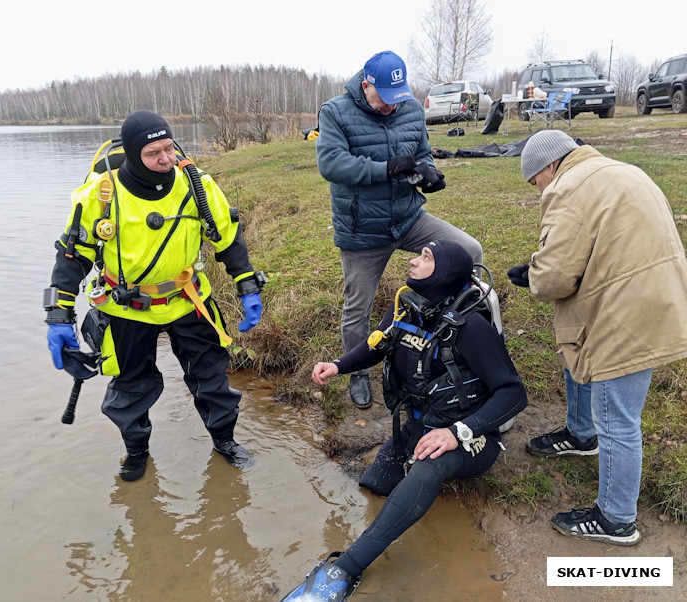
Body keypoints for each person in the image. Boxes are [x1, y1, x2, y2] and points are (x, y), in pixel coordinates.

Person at [281, 240, 527, 601]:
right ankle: (410, 495)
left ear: (445, 272)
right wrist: (337, 365)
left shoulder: (471, 327)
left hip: (472, 438)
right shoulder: (406, 309)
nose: (413, 262)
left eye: (425, 258)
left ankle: (343, 570)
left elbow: (513, 393)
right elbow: (375, 345)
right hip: (415, 429)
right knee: (374, 486)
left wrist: (458, 433)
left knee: (429, 466)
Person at [44, 110, 266, 480]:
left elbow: (228, 237)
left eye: (169, 148)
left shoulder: (196, 185)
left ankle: (225, 441)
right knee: (131, 386)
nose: (165, 159)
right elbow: (72, 257)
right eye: (153, 153)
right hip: (126, 308)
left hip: (188, 299)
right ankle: (136, 453)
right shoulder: (101, 195)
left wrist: (247, 286)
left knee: (212, 377)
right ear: (134, 154)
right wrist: (59, 316)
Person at [508, 129, 687, 545]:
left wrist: (534, 276)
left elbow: (554, 278)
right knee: (578, 354)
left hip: (625, 310)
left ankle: (616, 519)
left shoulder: (567, 188)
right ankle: (579, 433)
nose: (540, 191)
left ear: (550, 165)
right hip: (657, 294)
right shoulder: (622, 170)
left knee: (617, 417)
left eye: (536, 182)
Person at [316, 50, 483, 410]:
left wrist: (429, 174)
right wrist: (386, 168)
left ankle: (462, 336)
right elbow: (331, 164)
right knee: (357, 307)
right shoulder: (335, 112)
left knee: (470, 251)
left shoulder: (411, 109)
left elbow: (422, 152)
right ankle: (358, 373)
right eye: (385, 98)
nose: (392, 105)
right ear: (366, 86)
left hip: (409, 219)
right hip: (363, 231)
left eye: (398, 97)